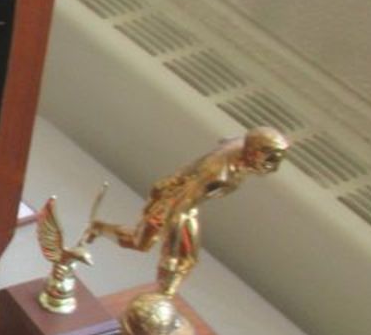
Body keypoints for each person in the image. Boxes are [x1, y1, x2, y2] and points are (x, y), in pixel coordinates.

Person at [90, 127, 289, 299]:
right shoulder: (219, 175)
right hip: (171, 204)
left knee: (182, 257)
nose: (273, 166)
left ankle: (162, 296)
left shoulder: (240, 147)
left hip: (184, 203)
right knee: (158, 251)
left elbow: (228, 141)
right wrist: (172, 248)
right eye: (270, 159)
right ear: (253, 152)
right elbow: (180, 206)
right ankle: (99, 228)